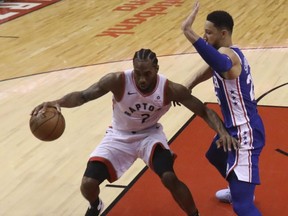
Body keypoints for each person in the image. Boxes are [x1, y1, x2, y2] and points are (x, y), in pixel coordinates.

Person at [31, 48, 238, 216]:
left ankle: (194, 214)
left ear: (156, 68)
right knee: (88, 184)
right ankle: (95, 205)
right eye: (137, 73)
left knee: (169, 178)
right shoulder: (117, 81)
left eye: (147, 73)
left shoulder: (169, 89)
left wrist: (222, 132)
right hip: (119, 135)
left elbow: (203, 110)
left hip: (150, 135)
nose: (141, 79)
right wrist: (58, 102)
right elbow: (84, 96)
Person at [181, 1, 265, 216]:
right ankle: (237, 188)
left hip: (245, 133)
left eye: (209, 33)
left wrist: (188, 33)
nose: (206, 36)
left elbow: (220, 65)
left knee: (243, 207)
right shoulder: (227, 53)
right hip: (235, 128)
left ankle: (242, 194)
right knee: (215, 154)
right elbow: (212, 68)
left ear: (223, 33)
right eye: (203, 33)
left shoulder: (228, 58)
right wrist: (189, 84)